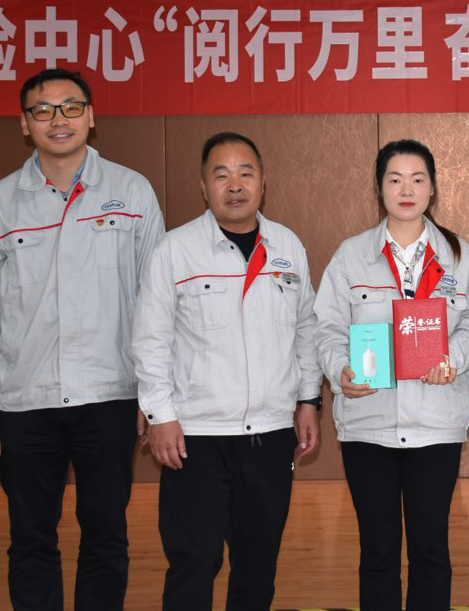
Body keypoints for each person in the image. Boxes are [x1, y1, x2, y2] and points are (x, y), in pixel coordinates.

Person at [0, 68, 164, 611]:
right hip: (24, 401)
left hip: (109, 396)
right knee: (30, 539)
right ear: (25, 124)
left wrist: (153, 397)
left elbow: (156, 306)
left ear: (91, 117)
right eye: (43, 110)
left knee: (106, 535)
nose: (58, 120)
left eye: (71, 107)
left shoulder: (132, 192)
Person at [131, 132, 322, 611]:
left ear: (263, 182)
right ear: (203, 186)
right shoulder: (175, 250)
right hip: (196, 437)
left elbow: (307, 330)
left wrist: (308, 400)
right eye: (221, 175)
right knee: (193, 564)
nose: (234, 185)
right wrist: (159, 416)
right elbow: (151, 340)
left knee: (257, 568)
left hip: (270, 435)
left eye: (245, 173)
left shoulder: (287, 246)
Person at [313, 139, 469, 611]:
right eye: (395, 180)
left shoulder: (458, 255)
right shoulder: (351, 255)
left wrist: (452, 358)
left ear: (432, 189)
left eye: (417, 180)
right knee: (378, 550)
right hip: (368, 424)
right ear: (379, 188)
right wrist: (339, 369)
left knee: (431, 548)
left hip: (436, 425)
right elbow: (326, 327)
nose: (406, 190)